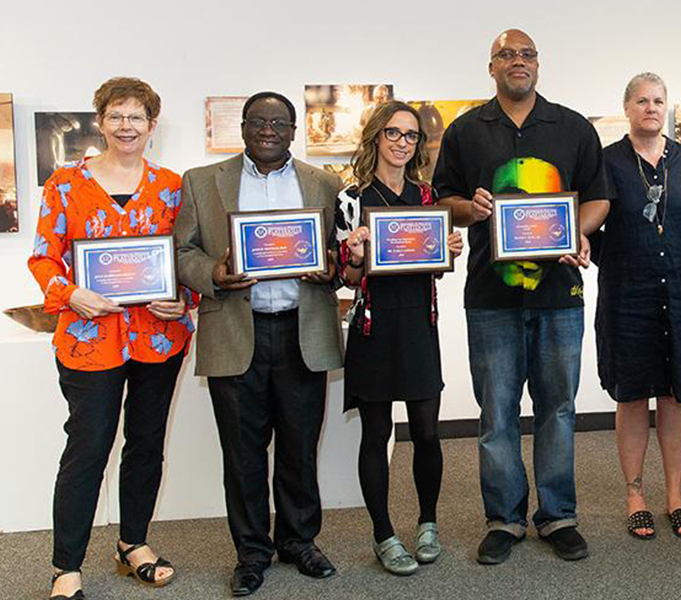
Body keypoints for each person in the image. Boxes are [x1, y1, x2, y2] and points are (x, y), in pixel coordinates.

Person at [432, 28, 609, 564]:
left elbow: (598, 198)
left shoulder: (573, 127)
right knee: (497, 413)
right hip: (491, 295)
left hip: (560, 294)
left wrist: (578, 231)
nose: (518, 62)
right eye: (507, 54)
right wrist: (472, 208)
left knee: (558, 409)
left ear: (538, 65)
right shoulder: (465, 130)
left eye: (527, 54)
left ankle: (558, 515)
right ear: (491, 67)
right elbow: (444, 200)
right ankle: (504, 520)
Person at [29, 77, 193, 600]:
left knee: (145, 445)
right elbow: (43, 256)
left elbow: (185, 259)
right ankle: (66, 566)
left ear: (151, 125)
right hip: (89, 338)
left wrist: (182, 299)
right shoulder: (65, 184)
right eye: (116, 116)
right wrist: (72, 293)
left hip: (157, 338)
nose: (126, 126)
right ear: (100, 122)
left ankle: (133, 543)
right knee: (89, 446)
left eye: (136, 117)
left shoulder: (171, 186)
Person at [173, 92, 343, 597]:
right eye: (258, 121)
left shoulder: (324, 184)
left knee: (299, 445)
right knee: (242, 453)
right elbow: (182, 252)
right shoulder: (202, 182)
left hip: (302, 330)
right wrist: (213, 273)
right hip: (234, 330)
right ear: (243, 128)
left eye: (279, 122)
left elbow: (339, 255)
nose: (268, 129)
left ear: (294, 130)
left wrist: (332, 268)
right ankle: (251, 551)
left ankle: (298, 540)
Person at [334, 101, 464, 575]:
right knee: (376, 434)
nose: (402, 142)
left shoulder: (429, 198)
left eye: (410, 136)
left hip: (418, 324)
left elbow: (435, 270)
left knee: (428, 432)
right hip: (373, 326)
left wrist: (448, 249)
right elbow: (346, 280)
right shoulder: (350, 199)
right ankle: (383, 534)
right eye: (393, 133)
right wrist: (354, 254)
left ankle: (427, 523)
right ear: (375, 137)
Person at [597, 72, 681, 540]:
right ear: (626, 108)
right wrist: (624, 259)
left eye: (658, 100)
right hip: (628, 295)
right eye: (642, 101)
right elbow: (592, 224)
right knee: (631, 395)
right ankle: (634, 495)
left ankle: (675, 495)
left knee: (676, 393)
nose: (651, 108)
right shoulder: (606, 162)